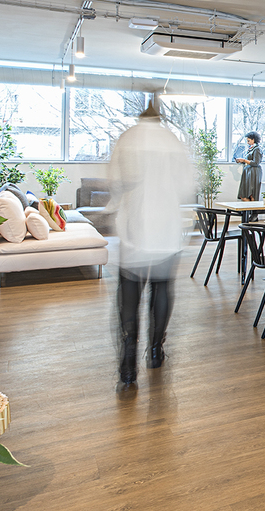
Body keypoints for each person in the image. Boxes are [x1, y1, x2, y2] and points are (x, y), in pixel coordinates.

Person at [108, 100, 195, 391]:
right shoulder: (172, 141)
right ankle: (156, 350)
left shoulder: (128, 138)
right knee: (162, 288)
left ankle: (128, 361)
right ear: (161, 117)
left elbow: (115, 181)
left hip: (134, 224)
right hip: (166, 226)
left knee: (129, 292)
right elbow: (187, 185)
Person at [236, 131, 262, 201]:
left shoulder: (257, 149)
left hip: (254, 172)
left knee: (251, 193)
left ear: (253, 139)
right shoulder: (251, 149)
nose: (247, 142)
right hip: (248, 171)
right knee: (244, 194)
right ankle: (249, 207)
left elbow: (256, 162)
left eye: (248, 140)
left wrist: (244, 160)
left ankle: (253, 207)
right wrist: (242, 161)